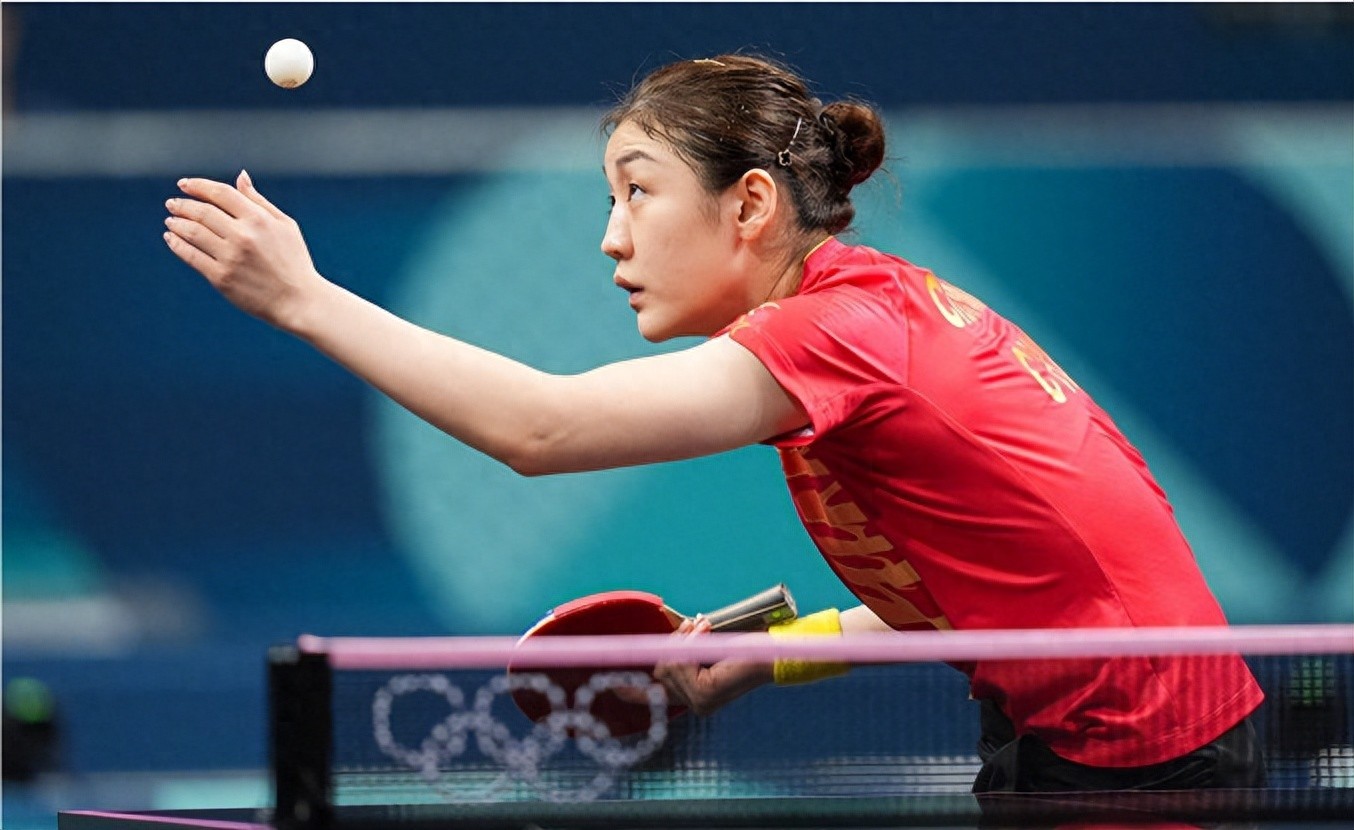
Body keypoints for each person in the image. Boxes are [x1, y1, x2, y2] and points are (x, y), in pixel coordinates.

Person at [162, 54, 1265, 793]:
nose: (611, 237)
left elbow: (541, 431)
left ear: (748, 204)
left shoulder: (837, 332)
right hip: (1125, 732)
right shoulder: (873, 307)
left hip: (1140, 761)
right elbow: (993, 595)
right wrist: (759, 658)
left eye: (637, 192)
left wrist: (304, 300)